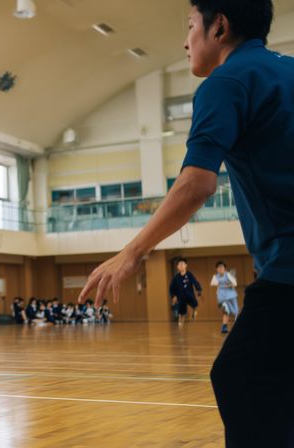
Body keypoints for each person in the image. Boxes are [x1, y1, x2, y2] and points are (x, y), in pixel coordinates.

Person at [79, 1, 294, 444]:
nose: (185, 41)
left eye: (191, 25)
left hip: (288, 267)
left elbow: (196, 183)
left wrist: (132, 252)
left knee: (237, 376)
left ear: (220, 27)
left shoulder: (226, 82)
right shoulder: (288, 70)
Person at [169, 258, 203, 326]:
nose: (181, 265)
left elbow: (195, 282)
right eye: (179, 264)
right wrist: (173, 296)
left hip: (190, 295)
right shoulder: (176, 277)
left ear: (186, 265)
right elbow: (172, 287)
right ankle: (180, 322)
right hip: (181, 296)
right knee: (181, 312)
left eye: (182, 264)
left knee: (195, 304)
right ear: (177, 267)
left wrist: (198, 290)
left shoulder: (189, 274)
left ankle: (194, 311)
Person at [210, 261, 239, 334]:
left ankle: (237, 326)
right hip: (222, 297)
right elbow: (212, 283)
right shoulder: (215, 276)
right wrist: (219, 284)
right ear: (216, 269)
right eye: (219, 267)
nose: (220, 269)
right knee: (225, 311)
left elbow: (235, 284)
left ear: (225, 268)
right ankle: (224, 328)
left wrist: (229, 285)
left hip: (231, 295)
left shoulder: (228, 274)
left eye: (222, 267)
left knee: (235, 312)